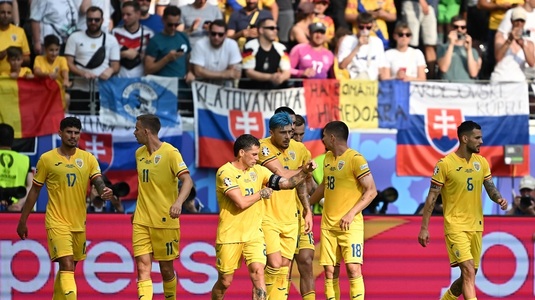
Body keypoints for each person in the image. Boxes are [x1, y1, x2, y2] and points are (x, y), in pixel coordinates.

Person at [16, 116, 113, 300]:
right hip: (56, 221)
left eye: (76, 133)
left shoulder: (88, 158)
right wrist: (23, 220)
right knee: (67, 265)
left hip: (78, 223)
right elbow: (35, 191)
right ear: (60, 133)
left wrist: (103, 190)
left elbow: (98, 181)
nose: (73, 136)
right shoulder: (47, 159)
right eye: (69, 132)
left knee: (67, 271)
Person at [211, 133, 316, 300]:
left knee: (259, 275)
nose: (257, 158)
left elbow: (286, 183)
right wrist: (261, 193)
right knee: (225, 281)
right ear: (241, 153)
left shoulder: (259, 171)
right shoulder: (225, 173)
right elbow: (241, 203)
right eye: (254, 154)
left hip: (254, 235)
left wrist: (304, 172)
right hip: (230, 235)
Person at [418, 120, 508, 300]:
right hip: (455, 226)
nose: (481, 141)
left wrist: (498, 198)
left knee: (470, 273)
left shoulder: (481, 163)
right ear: (465, 139)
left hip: (476, 225)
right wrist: (424, 227)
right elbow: (432, 197)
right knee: (467, 269)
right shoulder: (445, 164)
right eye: (477, 138)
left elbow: (489, 187)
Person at [309, 120, 378, 300]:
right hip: (329, 226)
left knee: (353, 268)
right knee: (330, 271)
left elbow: (371, 191)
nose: (322, 139)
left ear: (332, 138)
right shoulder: (328, 159)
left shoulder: (356, 159)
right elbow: (324, 185)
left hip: (350, 224)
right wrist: (306, 203)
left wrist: (350, 213)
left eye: (324, 136)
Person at [132, 114, 194, 300]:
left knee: (166, 270)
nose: (134, 133)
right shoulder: (139, 154)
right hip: (142, 220)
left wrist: (178, 203)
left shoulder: (170, 153)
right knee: (143, 268)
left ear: (146, 131)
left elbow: (187, 180)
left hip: (165, 220)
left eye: (136, 129)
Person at [256, 112, 313, 299]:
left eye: (290, 132)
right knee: (273, 263)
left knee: (285, 267)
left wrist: (307, 210)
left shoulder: (300, 149)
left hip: (290, 217)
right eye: (283, 133)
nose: (288, 136)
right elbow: (281, 174)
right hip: (267, 215)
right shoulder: (263, 147)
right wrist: (303, 170)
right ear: (271, 132)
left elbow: (302, 182)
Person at [241, 18, 291, 89]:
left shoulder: (281, 48)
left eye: (277, 28)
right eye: (271, 28)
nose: (275, 31)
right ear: (261, 30)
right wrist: (270, 77)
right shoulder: (250, 46)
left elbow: (287, 71)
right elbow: (249, 72)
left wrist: (281, 78)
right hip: (252, 90)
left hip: (273, 91)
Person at [190, 19, 242, 87]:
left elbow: (236, 73)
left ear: (225, 35)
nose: (216, 37)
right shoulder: (200, 44)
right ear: (209, 33)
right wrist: (225, 74)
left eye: (220, 34)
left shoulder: (232, 44)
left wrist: (206, 73)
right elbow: (198, 72)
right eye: (213, 34)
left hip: (225, 86)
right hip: (203, 85)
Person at [337, 12, 388, 80]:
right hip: (354, 80)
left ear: (372, 26)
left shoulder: (377, 42)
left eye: (368, 27)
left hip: (372, 82)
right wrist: (358, 47)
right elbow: (342, 65)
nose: (364, 30)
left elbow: (382, 67)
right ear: (357, 26)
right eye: (361, 27)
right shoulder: (348, 40)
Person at [112, 1, 155, 78]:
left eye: (128, 14)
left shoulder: (148, 34)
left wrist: (139, 55)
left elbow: (153, 59)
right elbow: (107, 56)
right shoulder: (115, 32)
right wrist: (122, 54)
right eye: (123, 15)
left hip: (141, 79)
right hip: (119, 79)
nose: (125, 18)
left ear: (138, 14)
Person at [491, 6, 535, 82]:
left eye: (522, 21)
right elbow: (498, 57)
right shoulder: (501, 37)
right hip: (500, 79)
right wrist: (509, 40)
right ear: (511, 21)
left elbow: (532, 63)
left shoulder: (528, 43)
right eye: (516, 20)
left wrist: (523, 45)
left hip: (519, 82)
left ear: (525, 22)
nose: (519, 23)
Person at [437, 16, 482, 81]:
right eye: (456, 27)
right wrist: (451, 45)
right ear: (450, 28)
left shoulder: (473, 51)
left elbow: (473, 73)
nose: (459, 30)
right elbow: (443, 68)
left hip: (467, 87)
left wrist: (468, 50)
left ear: (466, 29)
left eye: (463, 27)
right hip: (448, 87)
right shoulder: (442, 48)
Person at [33, 35, 71, 111]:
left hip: (57, 94)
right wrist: (48, 75)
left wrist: (66, 80)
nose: (54, 53)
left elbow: (64, 71)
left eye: (56, 50)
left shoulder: (62, 59)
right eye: (51, 50)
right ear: (45, 49)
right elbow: (37, 72)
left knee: (67, 97)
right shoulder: (38, 59)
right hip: (43, 94)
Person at [0, 123, 32, 212]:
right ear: (12, 139)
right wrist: (18, 204)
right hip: (15, 211)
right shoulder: (24, 159)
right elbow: (31, 186)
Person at [0, 1, 30, 75]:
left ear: (12, 14)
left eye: (9, 13)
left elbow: (28, 59)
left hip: (16, 78)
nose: (6, 15)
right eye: (2, 12)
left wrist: (16, 56)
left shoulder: (20, 32)